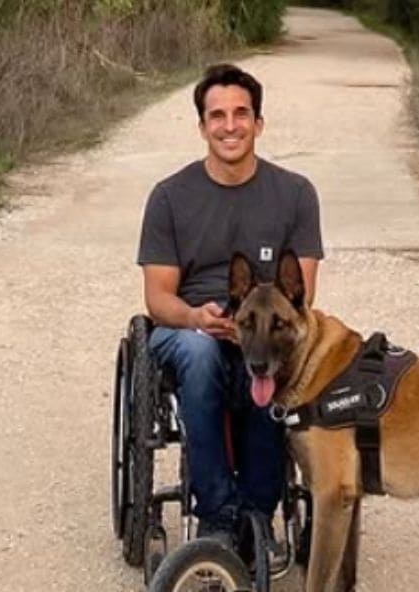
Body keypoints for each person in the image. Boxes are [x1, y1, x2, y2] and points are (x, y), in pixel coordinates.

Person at [136, 63, 324, 547]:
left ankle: (259, 512)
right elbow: (157, 297)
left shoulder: (296, 194)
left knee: (271, 360)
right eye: (217, 115)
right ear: (202, 126)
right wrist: (196, 318)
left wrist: (252, 333)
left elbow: (302, 294)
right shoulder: (170, 198)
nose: (230, 125)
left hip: (260, 328)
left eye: (241, 113)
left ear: (258, 123)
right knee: (200, 357)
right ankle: (218, 514)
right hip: (192, 328)